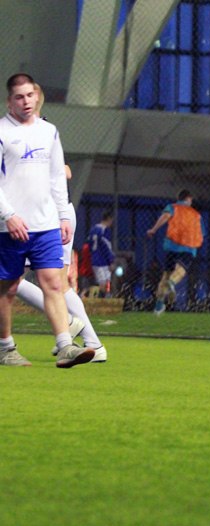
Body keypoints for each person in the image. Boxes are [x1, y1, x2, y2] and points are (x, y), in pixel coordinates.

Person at [0, 73, 95, 367]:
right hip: (10, 226)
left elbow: (57, 176)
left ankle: (66, 346)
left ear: (37, 96)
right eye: (19, 97)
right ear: (9, 101)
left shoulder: (49, 132)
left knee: (54, 282)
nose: (26, 101)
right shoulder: (2, 131)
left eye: (30, 95)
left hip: (46, 224)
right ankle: (5, 347)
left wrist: (64, 214)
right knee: (8, 288)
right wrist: (8, 215)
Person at [146, 189, 205, 316]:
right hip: (188, 247)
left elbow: (165, 216)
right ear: (189, 199)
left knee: (166, 274)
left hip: (171, 246)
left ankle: (159, 306)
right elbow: (202, 233)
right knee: (181, 270)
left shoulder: (172, 207)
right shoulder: (196, 215)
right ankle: (171, 284)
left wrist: (153, 229)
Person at [88, 210, 115, 296]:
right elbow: (106, 247)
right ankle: (89, 295)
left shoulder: (93, 229)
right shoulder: (105, 230)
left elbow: (89, 244)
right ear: (109, 219)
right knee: (105, 283)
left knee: (103, 282)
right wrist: (111, 261)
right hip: (103, 261)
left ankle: (104, 298)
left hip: (94, 259)